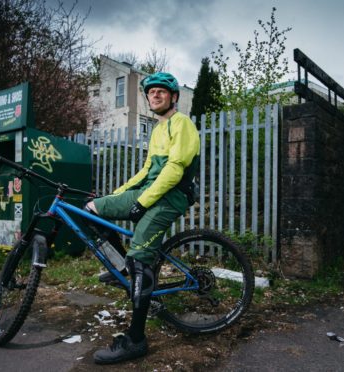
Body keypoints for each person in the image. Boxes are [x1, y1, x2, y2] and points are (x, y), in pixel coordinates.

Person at [86, 72, 200, 364]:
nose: (156, 96)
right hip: (152, 191)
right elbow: (147, 169)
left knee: (140, 258)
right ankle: (123, 269)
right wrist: (117, 194)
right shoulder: (158, 130)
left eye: (162, 92)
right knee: (92, 210)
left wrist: (142, 202)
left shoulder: (182, 124)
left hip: (171, 196)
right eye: (151, 93)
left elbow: (174, 170)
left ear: (173, 97)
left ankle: (136, 340)